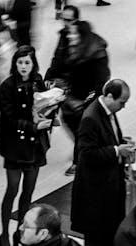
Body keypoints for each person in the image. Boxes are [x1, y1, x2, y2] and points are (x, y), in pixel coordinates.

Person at [0, 45, 53, 246]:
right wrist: (33, 126)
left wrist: (50, 115)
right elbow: (7, 118)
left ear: (33, 64)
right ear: (14, 64)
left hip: (35, 145)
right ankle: (4, 233)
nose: (23, 66)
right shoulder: (7, 86)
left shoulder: (38, 81)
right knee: (12, 189)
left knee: (28, 192)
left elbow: (47, 105)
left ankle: (21, 233)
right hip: (14, 146)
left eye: (27, 62)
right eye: (19, 62)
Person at [45, 10, 111, 174]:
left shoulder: (96, 54)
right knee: (70, 122)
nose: (70, 37)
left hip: (86, 99)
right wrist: (51, 77)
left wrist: (85, 102)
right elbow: (59, 60)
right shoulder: (73, 46)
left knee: (83, 127)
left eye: (73, 35)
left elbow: (100, 84)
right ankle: (84, 150)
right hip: (72, 95)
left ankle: (80, 159)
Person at [72, 79, 136, 246]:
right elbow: (86, 154)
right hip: (96, 196)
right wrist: (117, 150)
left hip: (109, 189)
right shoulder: (90, 118)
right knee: (98, 239)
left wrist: (121, 141)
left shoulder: (108, 111)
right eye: (122, 102)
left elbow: (106, 137)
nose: (124, 107)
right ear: (109, 96)